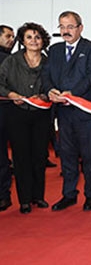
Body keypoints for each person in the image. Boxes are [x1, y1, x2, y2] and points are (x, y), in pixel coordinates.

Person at [42, 11, 91, 212]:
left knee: (89, 156)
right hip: (64, 113)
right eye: (62, 27)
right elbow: (46, 75)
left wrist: (72, 94)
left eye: (70, 26)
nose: (65, 31)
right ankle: (68, 194)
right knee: (67, 155)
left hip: (87, 112)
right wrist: (50, 91)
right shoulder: (54, 50)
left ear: (80, 28)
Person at [0, 22, 52, 214]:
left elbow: (54, 84)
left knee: (40, 155)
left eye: (37, 37)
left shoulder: (48, 62)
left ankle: (38, 196)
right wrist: (11, 94)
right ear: (22, 40)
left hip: (41, 114)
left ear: (43, 40)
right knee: (21, 157)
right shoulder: (11, 61)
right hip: (17, 113)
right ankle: (24, 200)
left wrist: (45, 95)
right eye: (29, 37)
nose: (33, 41)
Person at [0, 25, 15, 211]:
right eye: (8, 36)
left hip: (5, 111)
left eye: (12, 36)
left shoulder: (9, 59)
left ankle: (3, 195)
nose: (11, 40)